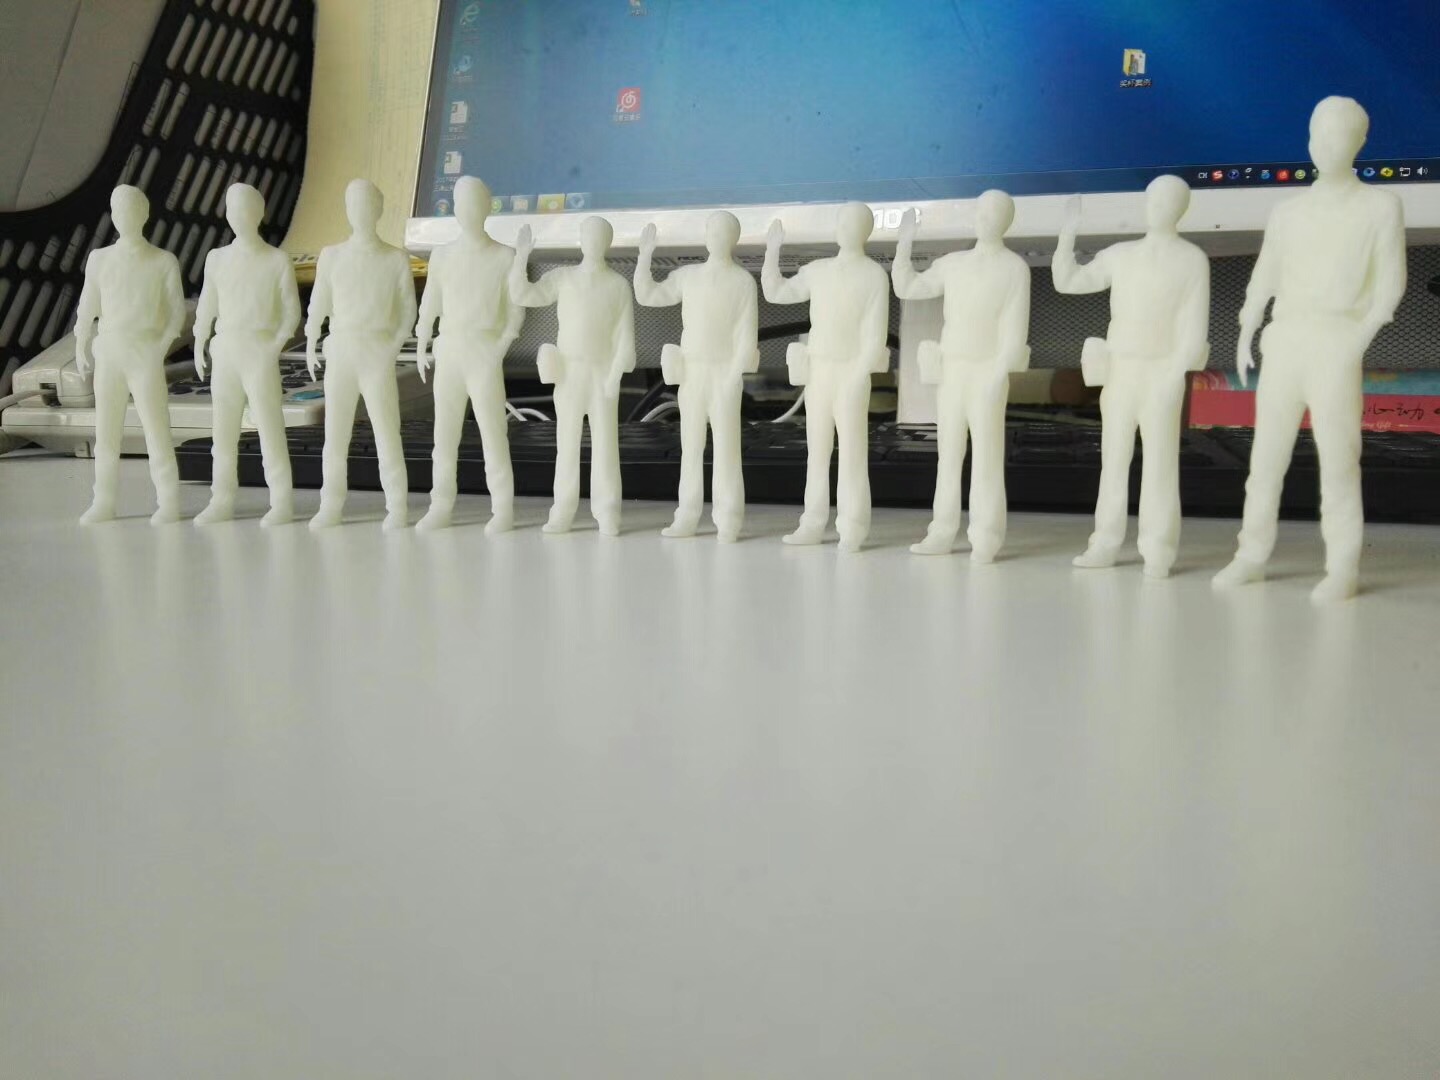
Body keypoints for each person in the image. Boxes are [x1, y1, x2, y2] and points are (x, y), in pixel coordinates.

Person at [1214, 96, 1406, 603]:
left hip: (1337, 337)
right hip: (1285, 339)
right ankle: (1251, 553)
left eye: (1340, 135)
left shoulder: (1380, 206)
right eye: (1320, 134)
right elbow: (1265, 273)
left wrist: (1357, 340)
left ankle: (1342, 564)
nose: (1328, 145)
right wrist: (1247, 328)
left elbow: (1390, 285)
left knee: (1339, 458)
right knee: (1265, 457)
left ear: (1360, 142)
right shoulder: (1288, 211)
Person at [1053, 175, 1210, 579]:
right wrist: (1067, 235)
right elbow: (1068, 282)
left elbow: (1194, 333)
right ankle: (1105, 542)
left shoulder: (1191, 260)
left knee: (1161, 463)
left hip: (1162, 372)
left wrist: (1173, 374)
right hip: (1121, 370)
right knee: (1114, 460)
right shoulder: (1121, 255)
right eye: (1154, 200)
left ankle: (1158, 548)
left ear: (1182, 209)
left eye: (1169, 201)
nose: (1160, 208)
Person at [892, 190, 1030, 561]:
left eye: (995, 214)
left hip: (988, 371)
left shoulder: (1014, 268)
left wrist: (997, 375)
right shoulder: (953, 264)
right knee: (948, 455)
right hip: (953, 370)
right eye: (982, 213)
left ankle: (986, 536)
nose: (987, 220)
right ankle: (942, 530)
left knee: (987, 456)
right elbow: (909, 286)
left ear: (1007, 221)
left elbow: (1014, 336)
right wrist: (904, 244)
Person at [763, 203, 890, 552]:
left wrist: (858, 374)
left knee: (852, 452)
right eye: (842, 223)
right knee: (817, 451)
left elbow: (875, 336)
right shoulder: (818, 271)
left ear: (866, 231)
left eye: (854, 223)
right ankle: (812, 522)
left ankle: (853, 526)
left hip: (852, 370)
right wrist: (772, 251)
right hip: (819, 369)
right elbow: (777, 292)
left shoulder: (874, 276)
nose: (846, 229)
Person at [634, 211, 758, 542]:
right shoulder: (688, 276)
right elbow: (649, 295)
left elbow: (746, 337)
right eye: (712, 231)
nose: (716, 238)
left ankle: (728, 518)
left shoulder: (742, 282)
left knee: (727, 448)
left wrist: (733, 374)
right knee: (690, 447)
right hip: (692, 372)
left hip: (724, 373)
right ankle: (687, 515)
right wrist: (644, 257)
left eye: (723, 232)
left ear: (734, 239)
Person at [509, 216, 635, 535]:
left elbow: (625, 340)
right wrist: (520, 258)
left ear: (608, 243)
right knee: (566, 443)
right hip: (569, 372)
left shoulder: (618, 285)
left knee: (605, 444)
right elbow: (524, 295)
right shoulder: (563, 277)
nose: (593, 242)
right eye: (588, 235)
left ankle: (607, 510)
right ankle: (563, 510)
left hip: (603, 373)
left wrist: (614, 375)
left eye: (599, 236)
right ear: (581, 240)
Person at [305, 178, 417, 530]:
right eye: (354, 204)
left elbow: (407, 312)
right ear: (347, 209)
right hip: (342, 350)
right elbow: (319, 301)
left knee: (387, 431)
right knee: (335, 434)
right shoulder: (332, 256)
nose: (361, 211)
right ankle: (330, 504)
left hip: (377, 351)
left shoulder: (395, 259)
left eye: (367, 204)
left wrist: (391, 347)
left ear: (379, 209)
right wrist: (311, 340)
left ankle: (397, 505)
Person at [415, 176, 523, 533]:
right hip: (450, 349)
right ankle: (440, 505)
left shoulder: (504, 256)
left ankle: (502, 508)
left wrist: (499, 348)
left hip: (483, 349)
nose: (468, 211)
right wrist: (423, 338)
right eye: (462, 204)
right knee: (444, 436)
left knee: (493, 433)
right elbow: (431, 300)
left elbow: (515, 311)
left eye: (475, 203)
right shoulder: (442, 255)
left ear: (487, 208)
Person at [75, 185, 186, 524]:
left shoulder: (163, 261)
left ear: (145, 214)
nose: (126, 217)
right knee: (106, 432)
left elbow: (176, 313)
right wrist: (81, 341)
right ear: (113, 216)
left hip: (145, 352)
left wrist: (159, 348)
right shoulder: (99, 259)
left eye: (132, 210)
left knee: (156, 429)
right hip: (110, 352)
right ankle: (104, 500)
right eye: (120, 211)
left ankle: (168, 500)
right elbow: (88, 304)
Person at [193, 183, 301, 526]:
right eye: (233, 209)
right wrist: (199, 338)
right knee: (223, 431)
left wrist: (274, 347)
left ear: (259, 214)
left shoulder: (276, 260)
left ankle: (281, 501)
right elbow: (207, 303)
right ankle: (221, 498)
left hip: (259, 350)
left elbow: (291, 312)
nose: (239, 216)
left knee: (269, 427)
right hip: (226, 350)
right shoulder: (216, 258)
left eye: (246, 209)